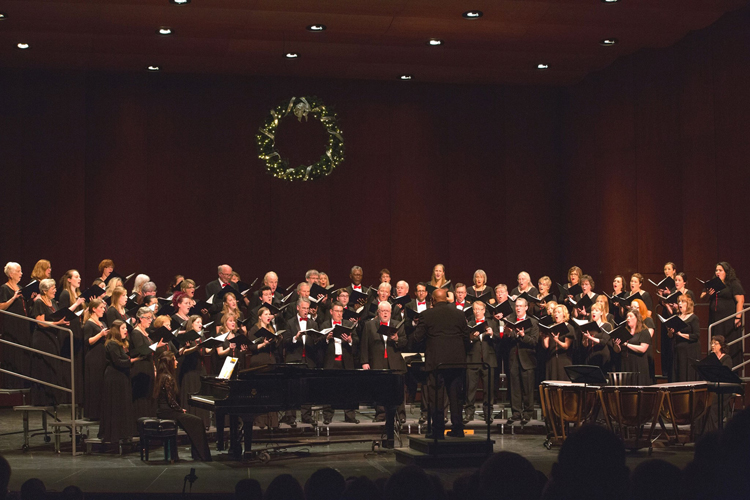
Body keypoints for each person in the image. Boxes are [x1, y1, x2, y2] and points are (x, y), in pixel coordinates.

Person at [413, 288, 471, 439]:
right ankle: (458, 429)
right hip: (457, 362)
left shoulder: (426, 315)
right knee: (456, 397)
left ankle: (438, 431)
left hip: (436, 363)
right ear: (447, 299)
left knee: (437, 397)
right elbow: (466, 338)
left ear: (432, 300)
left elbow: (417, 338)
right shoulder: (459, 314)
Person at [30, 278, 85, 406]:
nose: (55, 290)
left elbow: (60, 315)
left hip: (53, 338)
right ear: (44, 290)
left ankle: (52, 398)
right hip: (42, 339)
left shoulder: (53, 302)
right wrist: (57, 323)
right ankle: (42, 399)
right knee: (44, 367)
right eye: (53, 288)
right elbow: (40, 322)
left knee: (53, 367)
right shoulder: (39, 302)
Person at [153, 350, 211, 461]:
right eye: (174, 360)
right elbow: (170, 401)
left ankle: (198, 454)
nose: (177, 362)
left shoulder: (162, 376)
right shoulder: (168, 378)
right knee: (197, 422)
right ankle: (201, 455)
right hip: (168, 412)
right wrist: (180, 410)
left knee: (195, 422)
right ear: (169, 362)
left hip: (164, 411)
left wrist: (179, 410)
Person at [361, 301, 407, 422]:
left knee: (398, 389)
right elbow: (364, 344)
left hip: (395, 362)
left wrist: (396, 339)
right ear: (378, 312)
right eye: (383, 311)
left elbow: (404, 342)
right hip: (378, 361)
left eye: (387, 311)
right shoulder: (370, 325)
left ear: (391, 312)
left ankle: (400, 414)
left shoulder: (398, 325)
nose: (385, 313)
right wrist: (364, 361)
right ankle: (381, 414)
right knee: (379, 388)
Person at [319, 302, 360, 424]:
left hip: (345, 360)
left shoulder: (348, 324)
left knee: (349, 388)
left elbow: (357, 340)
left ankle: (350, 416)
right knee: (329, 389)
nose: (339, 314)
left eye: (341, 312)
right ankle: (327, 416)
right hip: (331, 361)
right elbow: (318, 341)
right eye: (337, 311)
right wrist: (327, 338)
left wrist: (350, 340)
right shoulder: (325, 324)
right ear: (331, 312)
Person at [99, 320, 138, 445]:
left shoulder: (121, 344)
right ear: (116, 330)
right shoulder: (112, 344)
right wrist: (134, 360)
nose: (126, 330)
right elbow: (118, 362)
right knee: (115, 405)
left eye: (126, 327)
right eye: (123, 328)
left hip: (122, 377)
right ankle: (114, 434)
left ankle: (123, 433)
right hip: (114, 378)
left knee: (123, 405)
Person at [282, 298, 320, 425]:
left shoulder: (313, 324)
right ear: (298, 308)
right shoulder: (290, 323)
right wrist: (295, 338)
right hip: (294, 358)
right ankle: (290, 416)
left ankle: (306, 415)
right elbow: (284, 341)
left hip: (308, 359)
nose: (306, 311)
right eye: (303, 308)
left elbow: (316, 343)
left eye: (307, 308)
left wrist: (318, 339)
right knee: (292, 388)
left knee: (307, 388)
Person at [701, 261, 745, 367]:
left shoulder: (732, 283)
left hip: (728, 320)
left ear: (726, 272)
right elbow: (702, 297)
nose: (718, 272)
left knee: (728, 344)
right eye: (716, 270)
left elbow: (740, 300)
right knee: (716, 343)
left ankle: (731, 369)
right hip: (715, 320)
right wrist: (708, 293)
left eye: (720, 270)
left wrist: (738, 317)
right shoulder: (713, 283)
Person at [505, 297, 539, 424]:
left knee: (528, 388)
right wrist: (508, 334)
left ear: (526, 307)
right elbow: (506, 342)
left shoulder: (533, 322)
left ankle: (528, 412)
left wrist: (523, 336)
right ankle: (516, 412)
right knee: (515, 387)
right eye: (516, 306)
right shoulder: (511, 321)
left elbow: (534, 341)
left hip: (527, 359)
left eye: (520, 306)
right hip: (514, 358)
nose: (518, 308)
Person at [464, 301, 498, 423]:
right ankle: (469, 414)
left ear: (484, 310)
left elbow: (499, 341)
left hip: (489, 361)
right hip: (473, 360)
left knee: (488, 390)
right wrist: (471, 339)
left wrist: (492, 334)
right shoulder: (469, 324)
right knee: (470, 389)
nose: (477, 311)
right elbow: (464, 344)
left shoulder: (492, 323)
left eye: (479, 309)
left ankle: (488, 414)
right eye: (475, 309)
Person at [130, 307, 166, 419]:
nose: (150, 320)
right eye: (148, 318)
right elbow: (141, 350)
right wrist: (156, 346)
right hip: (140, 368)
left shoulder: (146, 332)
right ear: (140, 318)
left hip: (148, 366)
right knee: (142, 396)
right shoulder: (136, 333)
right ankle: (140, 423)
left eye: (151, 318)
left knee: (149, 395)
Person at [58, 269, 87, 405]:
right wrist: (76, 303)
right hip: (68, 330)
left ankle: (78, 397)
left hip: (78, 329)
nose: (79, 279)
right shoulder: (65, 293)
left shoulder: (78, 294)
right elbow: (64, 314)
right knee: (70, 364)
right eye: (76, 276)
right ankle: (67, 398)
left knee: (78, 363)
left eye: (79, 276)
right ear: (69, 279)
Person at [0, 262, 31, 388]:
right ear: (11, 274)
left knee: (23, 354)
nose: (21, 273)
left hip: (23, 326)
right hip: (12, 326)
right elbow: (1, 307)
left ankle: (23, 384)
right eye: (18, 271)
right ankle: (13, 385)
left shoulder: (20, 287)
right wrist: (13, 298)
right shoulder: (4, 288)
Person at [177, 315, 209, 427]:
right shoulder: (188, 336)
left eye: (201, 322)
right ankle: (189, 422)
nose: (200, 324)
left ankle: (202, 421)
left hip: (200, 368)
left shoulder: (202, 336)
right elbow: (182, 352)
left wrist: (214, 345)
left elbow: (207, 350)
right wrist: (195, 348)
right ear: (192, 324)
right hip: (189, 370)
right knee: (190, 393)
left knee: (201, 395)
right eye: (198, 322)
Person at [82, 299, 108, 420]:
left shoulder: (102, 323)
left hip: (102, 356)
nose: (103, 310)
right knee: (94, 384)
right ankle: (93, 413)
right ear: (94, 309)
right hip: (93, 357)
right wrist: (101, 335)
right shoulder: (88, 324)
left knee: (101, 384)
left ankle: (101, 412)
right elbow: (87, 341)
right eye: (101, 308)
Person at [702, 335, 733, 433]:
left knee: (712, 405)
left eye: (715, 343)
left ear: (721, 345)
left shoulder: (727, 358)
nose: (713, 345)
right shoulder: (711, 358)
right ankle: (702, 433)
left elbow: (725, 374)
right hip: (714, 388)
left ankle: (713, 433)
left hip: (724, 389)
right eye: (712, 343)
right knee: (702, 402)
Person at [612, 310, 651, 385]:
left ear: (637, 318)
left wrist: (627, 344)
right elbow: (617, 350)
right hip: (625, 364)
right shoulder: (623, 331)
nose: (628, 318)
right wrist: (616, 345)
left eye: (630, 316)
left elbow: (643, 349)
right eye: (627, 317)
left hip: (638, 364)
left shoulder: (644, 331)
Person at [668, 295, 700, 382]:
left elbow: (696, 336)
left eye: (682, 301)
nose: (680, 303)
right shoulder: (676, 317)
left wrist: (680, 334)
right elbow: (671, 336)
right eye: (679, 301)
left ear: (688, 304)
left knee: (686, 373)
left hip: (689, 351)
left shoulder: (693, 318)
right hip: (678, 350)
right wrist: (671, 332)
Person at [543, 305, 575, 381]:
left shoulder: (569, 327)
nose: (556, 314)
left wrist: (557, 340)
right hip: (552, 360)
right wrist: (544, 338)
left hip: (564, 360)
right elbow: (546, 346)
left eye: (559, 312)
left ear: (564, 314)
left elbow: (566, 346)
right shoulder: (550, 327)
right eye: (555, 312)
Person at [581, 303, 612, 372]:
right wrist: (586, 338)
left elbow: (603, 342)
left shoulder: (607, 326)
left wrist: (590, 337)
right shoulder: (588, 325)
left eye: (596, 310)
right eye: (592, 310)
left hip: (602, 357)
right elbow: (585, 345)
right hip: (590, 356)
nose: (594, 312)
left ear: (601, 313)